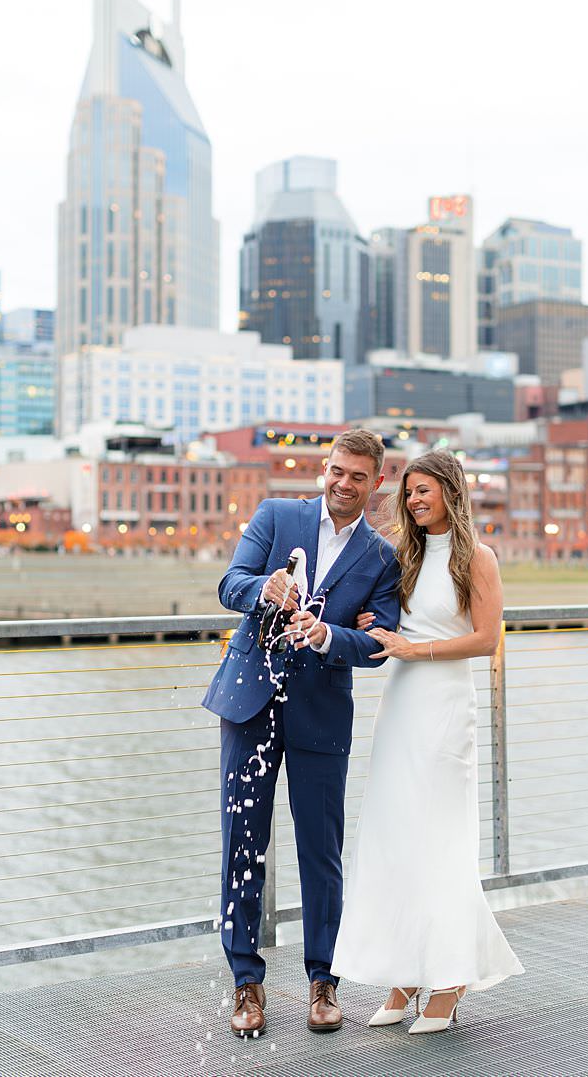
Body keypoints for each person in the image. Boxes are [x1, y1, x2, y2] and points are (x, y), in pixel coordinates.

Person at [201, 428, 400, 1038]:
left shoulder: (381, 557)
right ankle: (246, 984)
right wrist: (264, 589)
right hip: (250, 705)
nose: (343, 484)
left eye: (357, 476)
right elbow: (229, 583)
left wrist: (334, 637)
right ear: (326, 468)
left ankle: (323, 980)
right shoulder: (276, 515)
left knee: (322, 852)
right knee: (243, 844)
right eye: (337, 471)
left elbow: (380, 642)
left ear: (376, 483)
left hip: (320, 714)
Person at [330, 449, 524, 1033]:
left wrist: (418, 648)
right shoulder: (403, 558)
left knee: (440, 840)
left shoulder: (478, 558)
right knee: (397, 836)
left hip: (443, 704)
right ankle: (407, 973)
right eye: (408, 492)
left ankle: (450, 978)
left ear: (451, 492)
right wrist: (379, 629)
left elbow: (486, 639)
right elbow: (393, 621)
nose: (414, 501)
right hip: (402, 705)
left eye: (424, 491)